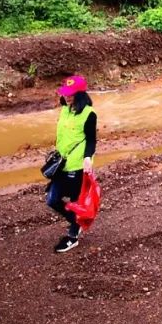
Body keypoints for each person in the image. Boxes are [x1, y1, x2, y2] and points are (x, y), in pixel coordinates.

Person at [47, 74, 97, 253]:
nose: (67, 97)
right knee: (52, 200)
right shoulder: (64, 110)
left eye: (71, 94)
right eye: (65, 93)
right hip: (61, 164)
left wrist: (87, 158)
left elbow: (91, 140)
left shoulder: (89, 114)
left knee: (76, 200)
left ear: (81, 95)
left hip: (77, 165)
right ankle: (77, 221)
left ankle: (73, 236)